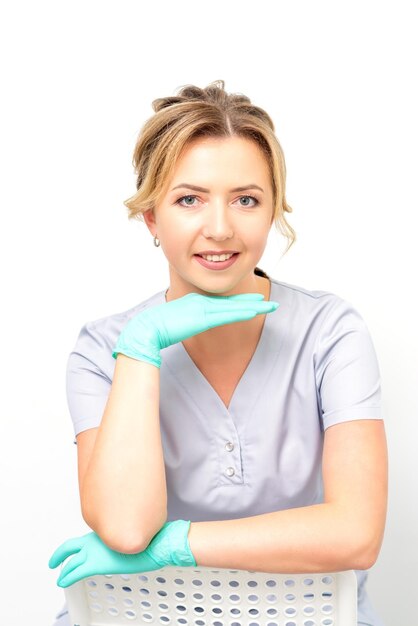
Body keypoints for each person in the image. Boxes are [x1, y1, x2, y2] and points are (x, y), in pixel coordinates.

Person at [49, 80, 388, 626]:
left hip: (314, 615)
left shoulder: (330, 332)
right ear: (152, 218)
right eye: (189, 199)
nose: (221, 229)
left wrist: (180, 544)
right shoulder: (101, 350)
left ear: (272, 210)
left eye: (246, 200)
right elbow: (128, 527)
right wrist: (140, 351)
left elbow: (356, 534)